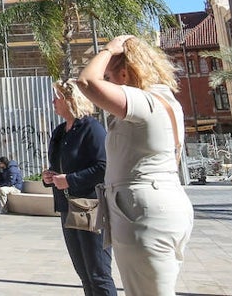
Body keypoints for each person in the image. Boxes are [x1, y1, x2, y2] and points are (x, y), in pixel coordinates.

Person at [77, 34, 194, 296]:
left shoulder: (146, 103)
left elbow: (86, 81)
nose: (106, 83)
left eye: (110, 77)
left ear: (127, 74)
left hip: (144, 212)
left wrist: (108, 50)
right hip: (159, 204)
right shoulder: (165, 102)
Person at [43, 80, 117, 296]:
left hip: (89, 207)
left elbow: (104, 166)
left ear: (70, 99)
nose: (53, 101)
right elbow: (60, 166)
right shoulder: (59, 132)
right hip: (67, 207)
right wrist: (50, 176)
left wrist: (71, 179)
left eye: (57, 97)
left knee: (98, 273)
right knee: (84, 273)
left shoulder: (91, 128)